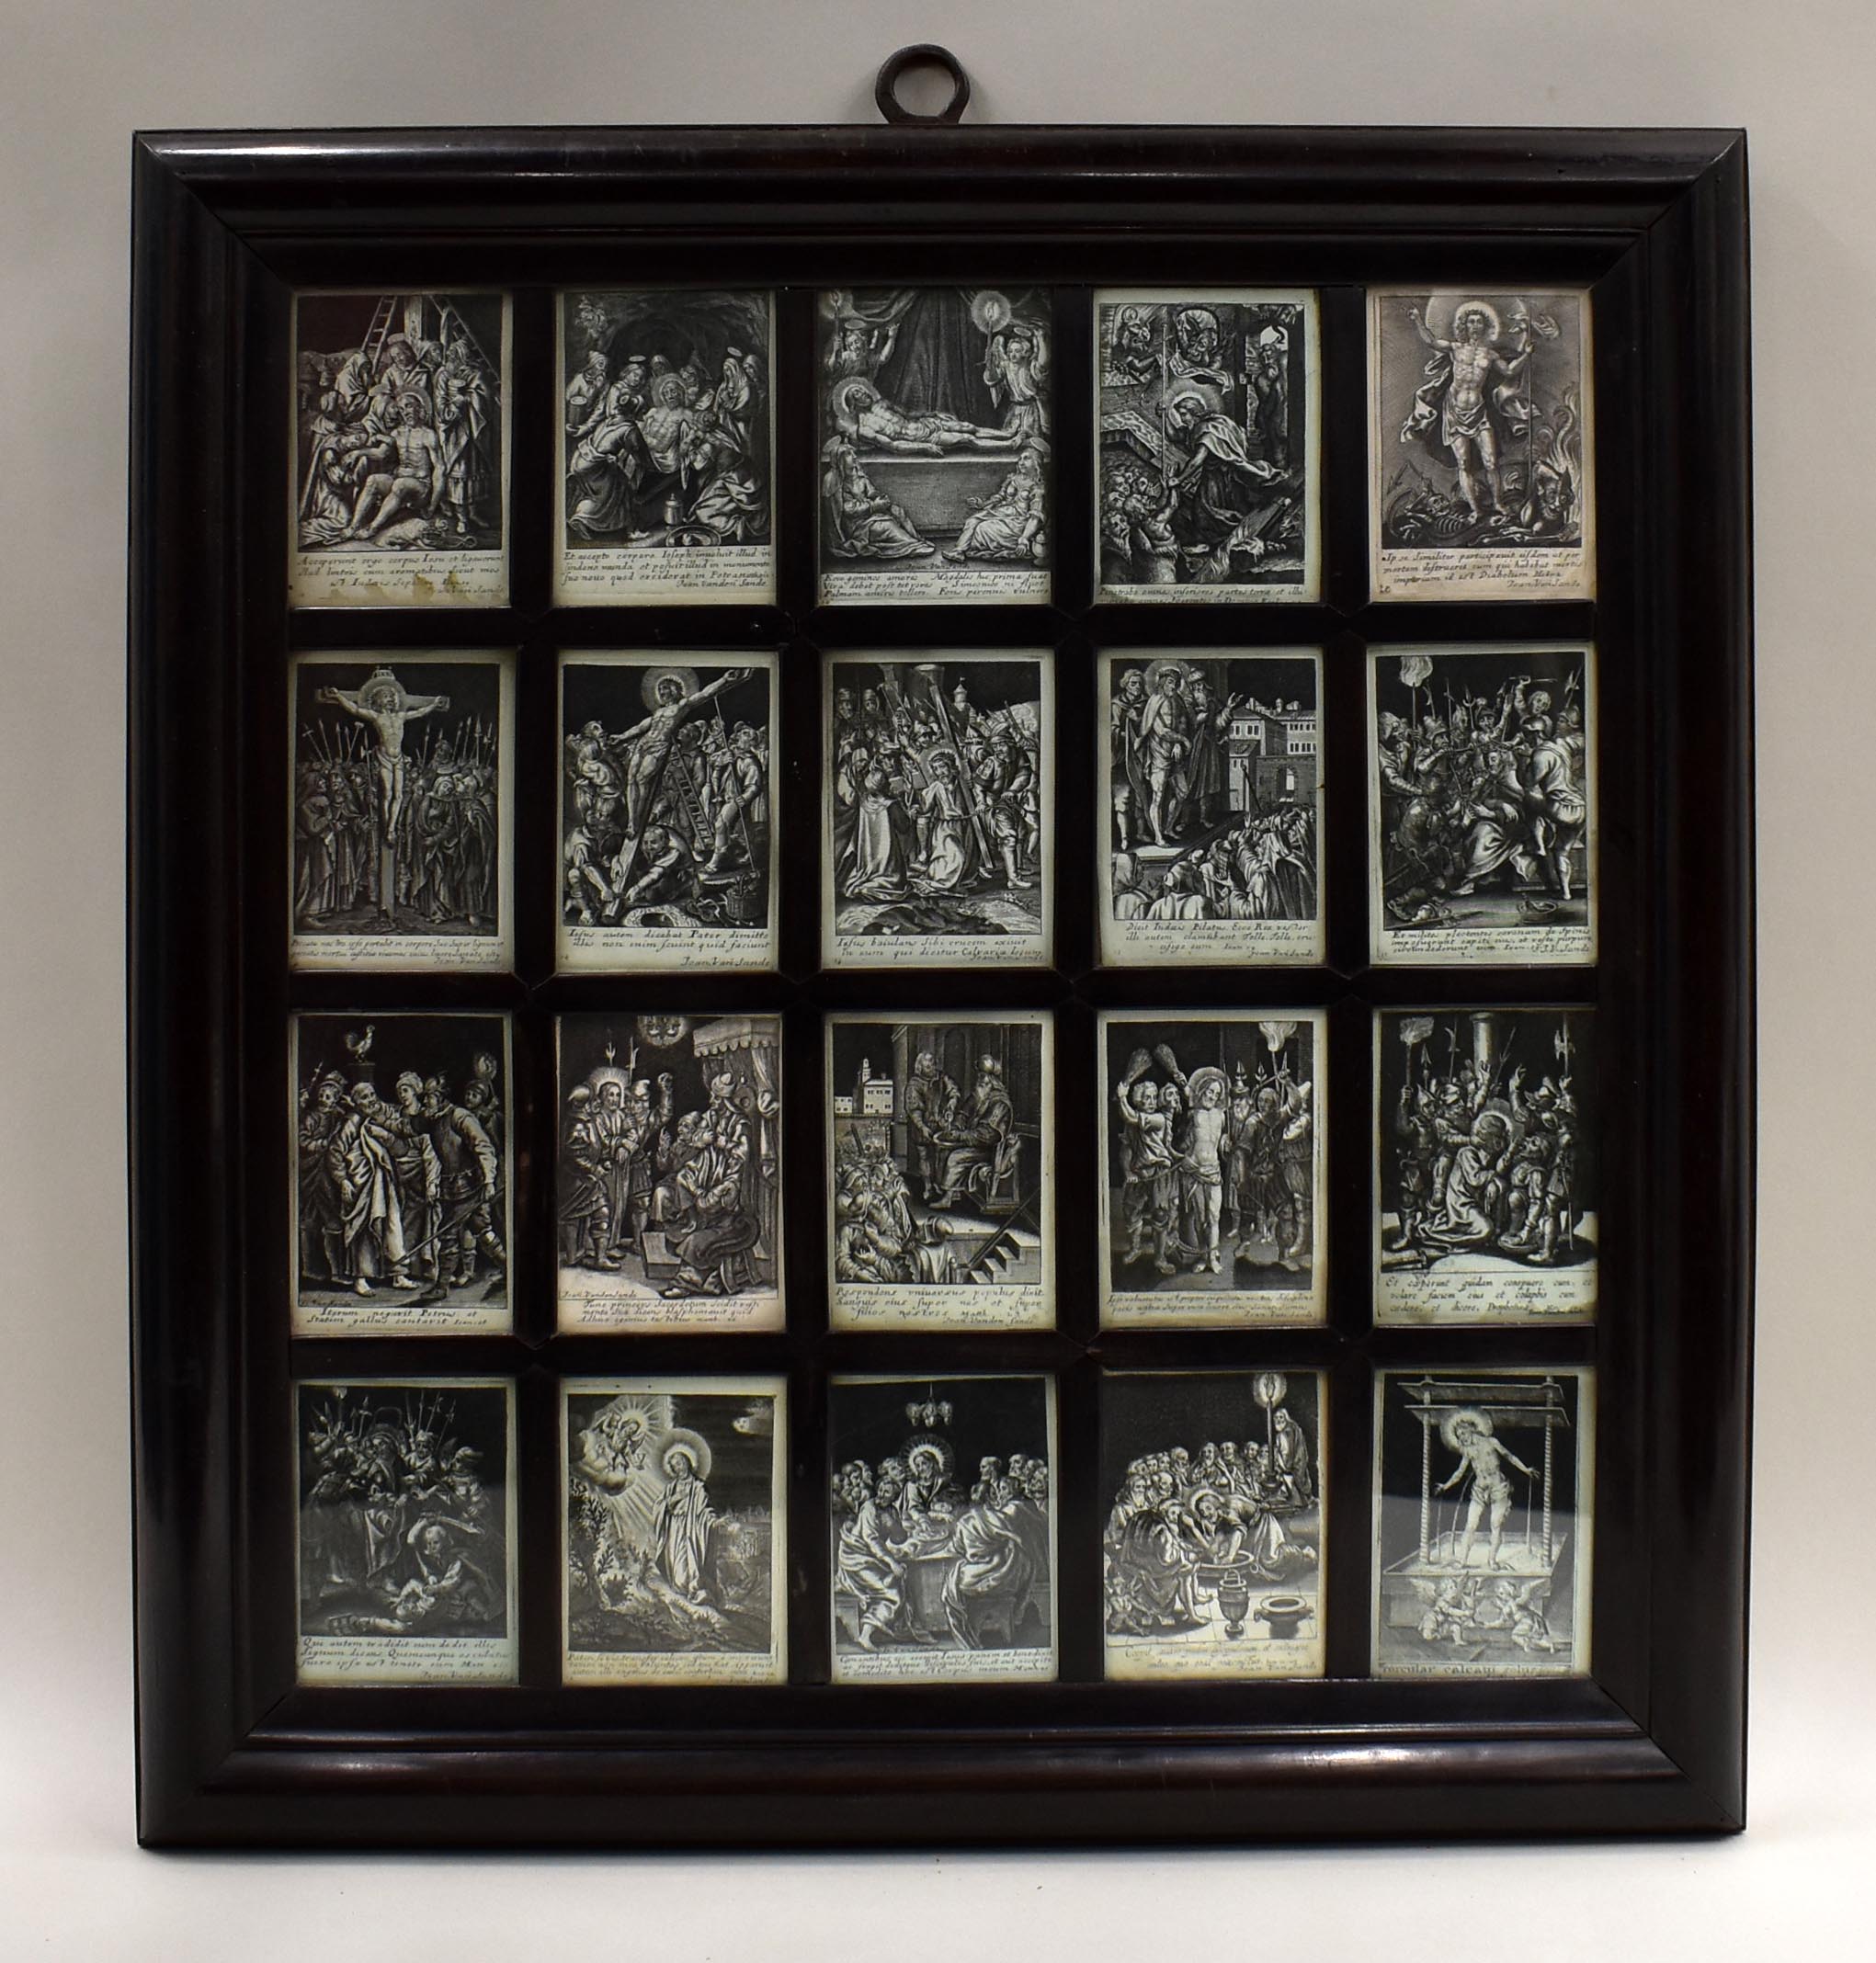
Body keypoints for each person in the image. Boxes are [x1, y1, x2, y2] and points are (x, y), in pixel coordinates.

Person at [1404, 300, 1532, 520]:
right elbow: (1431, 342)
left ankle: (1498, 504)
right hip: (1454, 412)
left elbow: (1510, 371)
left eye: (1479, 322)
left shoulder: (1489, 354)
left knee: (1491, 461)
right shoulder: (1455, 348)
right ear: (1464, 325)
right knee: (1464, 463)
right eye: (1471, 322)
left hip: (1478, 411)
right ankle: (1476, 510)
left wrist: (1526, 355)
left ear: (1485, 327)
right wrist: (1417, 319)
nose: (1475, 326)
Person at [1438, 1412, 1538, 1572]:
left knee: (1495, 1525)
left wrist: (1525, 1469)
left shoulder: (1492, 1442)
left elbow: (1509, 1456)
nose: (1461, 1438)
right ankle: (1461, 1560)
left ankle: (1492, 1560)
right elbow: (1459, 1472)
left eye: (1463, 1433)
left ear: (1471, 1429)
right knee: (1470, 1525)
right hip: (1479, 1490)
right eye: (1458, 1436)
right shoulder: (1468, 1451)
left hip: (1499, 1489)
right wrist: (1445, 1486)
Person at [943, 445, 1048, 564]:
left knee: (983, 528)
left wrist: (1024, 538)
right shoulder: (1013, 478)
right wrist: (982, 504)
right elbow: (1000, 496)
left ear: (1036, 463)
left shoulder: (1038, 488)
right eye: (1020, 459)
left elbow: (1035, 518)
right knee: (972, 521)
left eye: (1027, 458)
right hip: (1005, 512)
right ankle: (958, 551)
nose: (1021, 463)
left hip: (1020, 522)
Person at [653, 1443, 717, 1605]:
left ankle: (695, 1591)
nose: (679, 1468)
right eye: (675, 1466)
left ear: (688, 1463)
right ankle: (684, 1594)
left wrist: (714, 1521)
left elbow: (703, 1512)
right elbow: (659, 1507)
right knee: (675, 1567)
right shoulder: (671, 1488)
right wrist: (675, 1499)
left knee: (689, 1563)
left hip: (690, 1528)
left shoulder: (698, 1487)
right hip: (673, 1528)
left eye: (680, 1463)